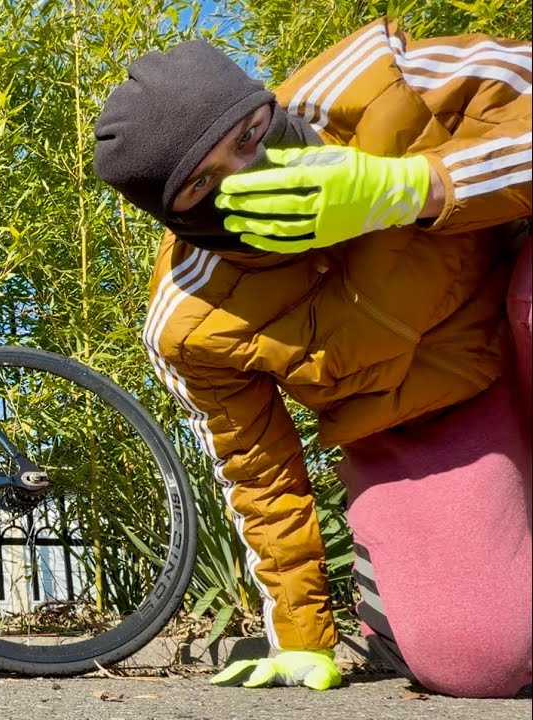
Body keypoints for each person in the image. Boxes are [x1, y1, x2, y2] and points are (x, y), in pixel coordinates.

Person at [92, 18, 531, 698]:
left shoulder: (385, 82)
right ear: (175, 216)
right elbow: (259, 476)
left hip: (516, 321)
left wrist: (415, 186)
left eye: (249, 134)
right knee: (480, 658)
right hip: (425, 422)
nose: (247, 167)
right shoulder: (189, 319)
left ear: (266, 104)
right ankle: (400, 599)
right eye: (202, 182)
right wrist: (300, 637)